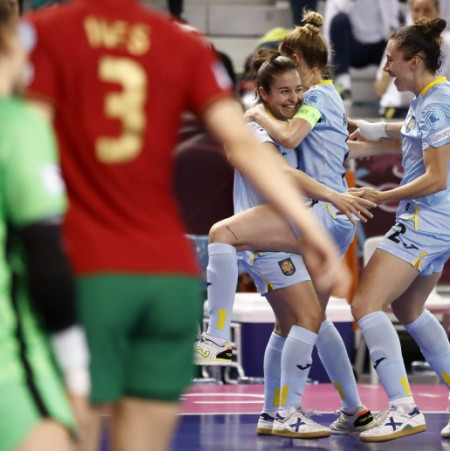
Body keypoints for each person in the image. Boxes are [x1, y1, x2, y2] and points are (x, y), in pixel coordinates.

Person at [23, 1, 342, 449]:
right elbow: (243, 144)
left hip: (92, 264)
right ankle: (260, 384)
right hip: (166, 273)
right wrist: (314, 230)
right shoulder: (181, 43)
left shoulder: (41, 34)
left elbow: (22, 141)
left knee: (77, 428)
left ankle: (233, 354)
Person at [196, 48, 377, 438]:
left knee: (291, 325)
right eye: (284, 91)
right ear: (262, 92)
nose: (294, 98)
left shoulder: (285, 125)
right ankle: (224, 345)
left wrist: (381, 139)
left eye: (297, 90)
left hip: (278, 240)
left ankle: (275, 412)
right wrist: (334, 194)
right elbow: (279, 173)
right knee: (310, 319)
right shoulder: (259, 128)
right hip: (269, 243)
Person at [348, 17, 450, 443]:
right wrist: (378, 131)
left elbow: (436, 176)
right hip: (443, 223)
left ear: (414, 60)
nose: (385, 67)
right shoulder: (431, 95)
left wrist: (381, 196)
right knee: (408, 309)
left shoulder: (437, 103)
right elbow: (418, 137)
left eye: (391, 59)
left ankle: (402, 407)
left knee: (364, 303)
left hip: (427, 221)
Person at [0, 5, 89, 450]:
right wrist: (75, 371)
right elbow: (45, 255)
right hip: (10, 366)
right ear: (11, 45)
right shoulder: (17, 126)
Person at [375, 0, 450, 120]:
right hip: (397, 110)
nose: (422, 14)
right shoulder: (399, 41)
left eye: (427, 10)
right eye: (416, 10)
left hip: (434, 108)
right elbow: (380, 89)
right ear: (410, 13)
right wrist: (392, 65)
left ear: (438, 12)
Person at [325, 0, 400, 98]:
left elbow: (393, 20)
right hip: (353, 49)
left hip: (379, 46)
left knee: (397, 40)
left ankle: (392, 96)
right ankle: (343, 84)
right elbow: (333, 20)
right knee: (339, 20)